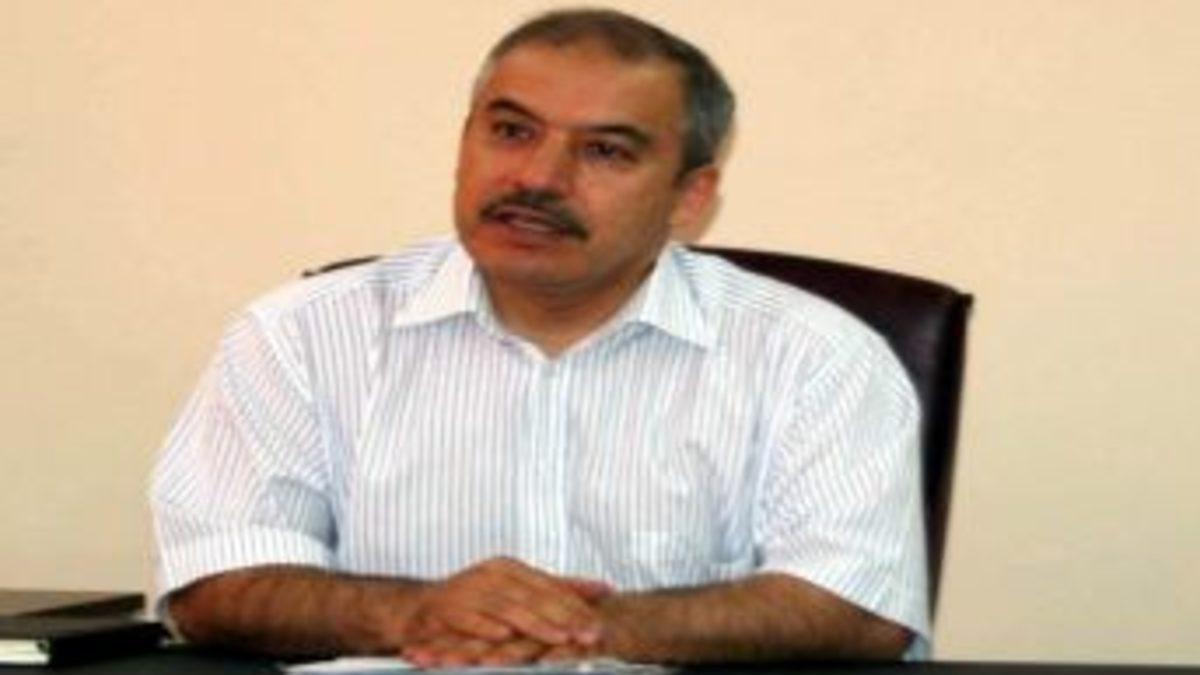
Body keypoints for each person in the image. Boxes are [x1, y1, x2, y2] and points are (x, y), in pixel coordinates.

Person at [150, 7, 928, 666]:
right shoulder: (299, 335)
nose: (538, 178)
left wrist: (579, 627)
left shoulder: (813, 354)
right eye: (511, 131)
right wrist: (414, 613)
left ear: (690, 198)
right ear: (464, 141)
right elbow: (214, 584)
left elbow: (857, 606)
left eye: (605, 150)